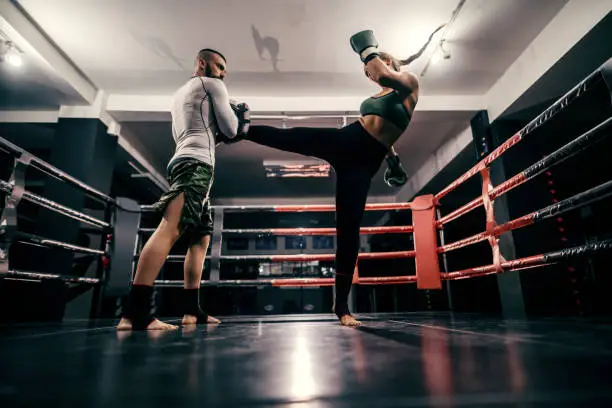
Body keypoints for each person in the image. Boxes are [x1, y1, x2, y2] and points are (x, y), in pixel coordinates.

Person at [228, 27, 443, 326]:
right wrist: (393, 159)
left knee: (348, 229)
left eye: (370, 68)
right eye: (367, 71)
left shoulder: (408, 83)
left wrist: (369, 52)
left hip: (364, 162)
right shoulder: (381, 92)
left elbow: (383, 80)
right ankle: (241, 131)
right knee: (295, 138)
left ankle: (341, 307)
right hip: (348, 140)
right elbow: (381, 123)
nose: (368, 73)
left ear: (386, 62)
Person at [117, 48, 250, 330]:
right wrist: (240, 117)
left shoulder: (181, 94)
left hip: (190, 162)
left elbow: (200, 132)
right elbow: (230, 130)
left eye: (225, 69)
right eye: (219, 65)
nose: (223, 72)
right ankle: (134, 312)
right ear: (202, 63)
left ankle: (192, 311)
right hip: (196, 166)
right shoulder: (212, 85)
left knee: (200, 239)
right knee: (170, 228)